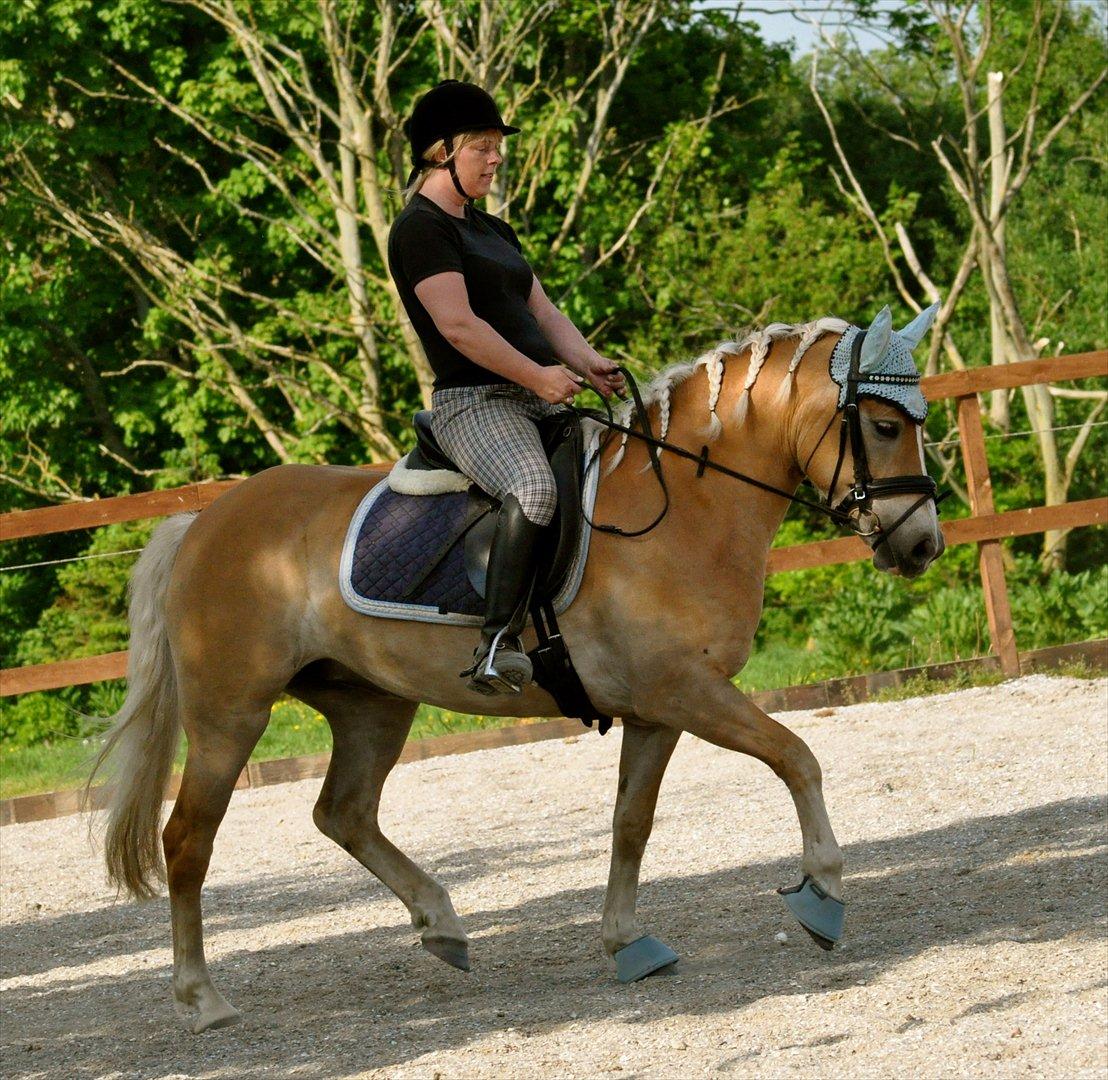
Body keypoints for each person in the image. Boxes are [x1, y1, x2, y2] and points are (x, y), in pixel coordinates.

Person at [387, 79, 624, 695]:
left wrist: (588, 361)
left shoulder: (494, 230)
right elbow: (459, 328)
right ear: (441, 152)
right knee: (533, 489)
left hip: (535, 394)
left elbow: (544, 314)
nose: (497, 158)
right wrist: (539, 376)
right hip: (475, 405)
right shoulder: (420, 229)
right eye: (484, 146)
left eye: (498, 147)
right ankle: (495, 644)